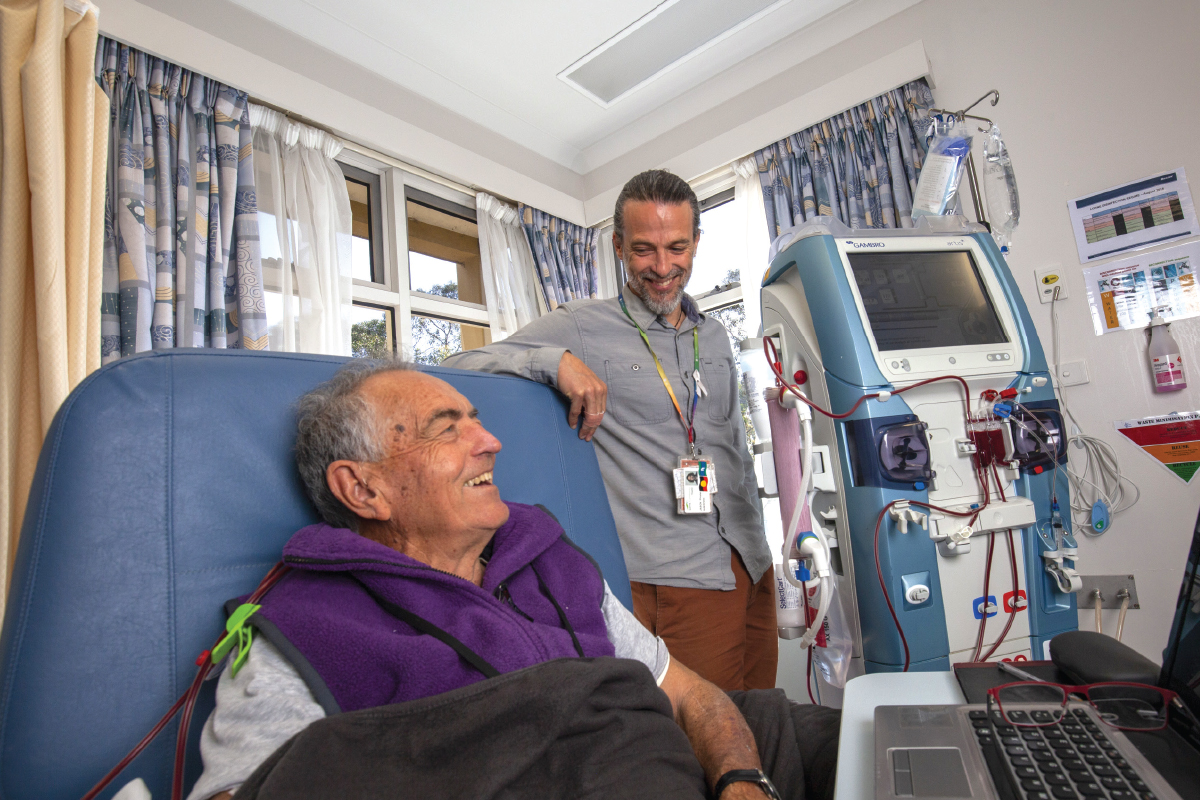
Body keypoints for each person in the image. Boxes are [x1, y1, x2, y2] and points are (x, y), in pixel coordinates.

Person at [186, 360, 838, 800]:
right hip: (601, 767)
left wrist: (742, 780)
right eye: (450, 429)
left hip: (673, 767)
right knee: (600, 702)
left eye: (477, 418)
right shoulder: (304, 628)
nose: (491, 441)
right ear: (363, 487)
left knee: (831, 734)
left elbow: (692, 697)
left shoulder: (549, 559)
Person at [443, 169, 776, 692]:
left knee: (766, 717)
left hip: (752, 563)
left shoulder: (711, 336)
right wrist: (555, 362)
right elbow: (459, 365)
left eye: (677, 247)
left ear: (696, 245)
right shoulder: (580, 324)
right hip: (674, 579)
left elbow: (732, 444)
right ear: (619, 246)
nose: (663, 267)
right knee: (708, 739)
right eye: (644, 249)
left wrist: (761, 556)